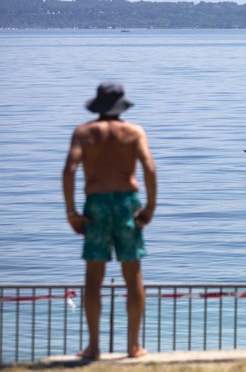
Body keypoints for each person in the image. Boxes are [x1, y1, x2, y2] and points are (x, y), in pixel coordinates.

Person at [62, 82, 157, 360]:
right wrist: (150, 206)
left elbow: (69, 170)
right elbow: (149, 168)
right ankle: (133, 346)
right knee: (133, 276)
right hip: (127, 204)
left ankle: (93, 346)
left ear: (98, 105)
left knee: (94, 278)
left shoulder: (84, 133)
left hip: (97, 204)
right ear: (121, 106)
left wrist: (71, 212)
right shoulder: (134, 132)